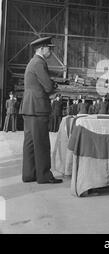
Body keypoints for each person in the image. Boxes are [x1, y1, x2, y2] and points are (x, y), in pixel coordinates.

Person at [19, 36, 62, 184]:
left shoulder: (33, 62)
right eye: (49, 48)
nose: (50, 50)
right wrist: (55, 85)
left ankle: (29, 174)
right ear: (42, 49)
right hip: (38, 108)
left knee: (30, 143)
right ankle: (44, 175)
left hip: (29, 107)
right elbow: (48, 87)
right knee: (42, 142)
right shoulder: (39, 63)